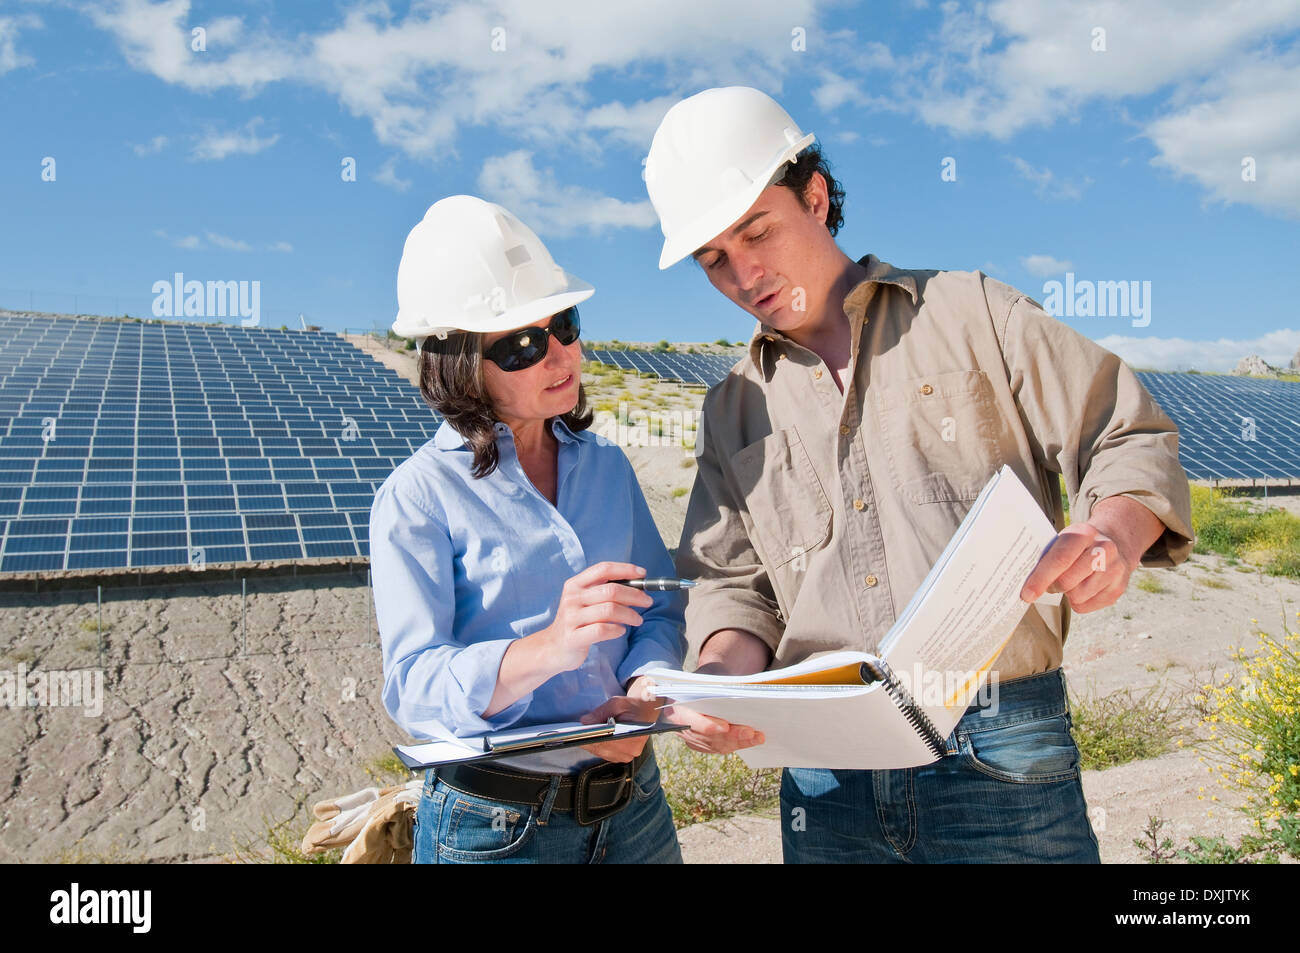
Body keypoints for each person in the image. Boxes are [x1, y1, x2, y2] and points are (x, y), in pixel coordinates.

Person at [643, 87, 1195, 863]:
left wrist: (1113, 532)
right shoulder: (733, 408)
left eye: (756, 231)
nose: (744, 273)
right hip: (825, 777)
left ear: (815, 195)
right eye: (713, 260)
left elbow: (1123, 432)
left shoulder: (973, 312)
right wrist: (721, 686)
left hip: (998, 743)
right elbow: (732, 586)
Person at [369, 195, 686, 864]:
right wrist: (548, 647)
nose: (559, 354)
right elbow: (415, 685)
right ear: (460, 365)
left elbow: (659, 605)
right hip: (497, 828)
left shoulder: (607, 467)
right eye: (521, 344)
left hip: (635, 808)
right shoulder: (417, 496)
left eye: (563, 325)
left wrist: (644, 688)